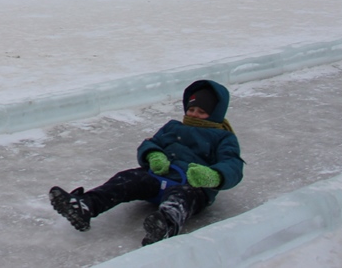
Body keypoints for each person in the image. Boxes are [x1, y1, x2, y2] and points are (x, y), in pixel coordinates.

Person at [49, 79, 243, 246]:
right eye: (191, 109)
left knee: (180, 199)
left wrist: (212, 176)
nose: (193, 114)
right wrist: (153, 155)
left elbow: (232, 164)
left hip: (191, 184)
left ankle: (165, 224)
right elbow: (151, 143)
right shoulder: (173, 127)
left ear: (215, 113)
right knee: (126, 179)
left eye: (201, 111)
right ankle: (86, 205)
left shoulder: (223, 138)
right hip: (158, 177)